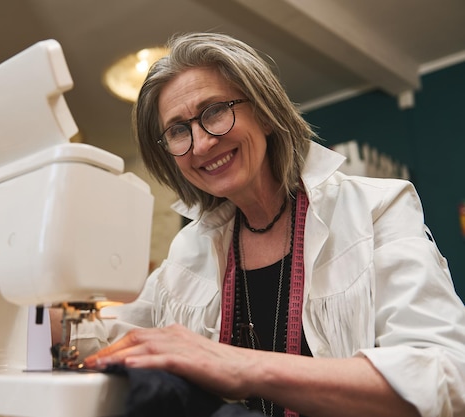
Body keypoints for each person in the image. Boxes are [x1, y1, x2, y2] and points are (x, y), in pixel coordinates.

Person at [76, 32, 465, 417]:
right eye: (178, 130)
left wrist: (243, 367)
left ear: (263, 112)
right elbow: (109, 338)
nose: (200, 144)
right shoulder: (189, 251)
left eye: (214, 111)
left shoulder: (376, 208)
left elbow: (446, 377)